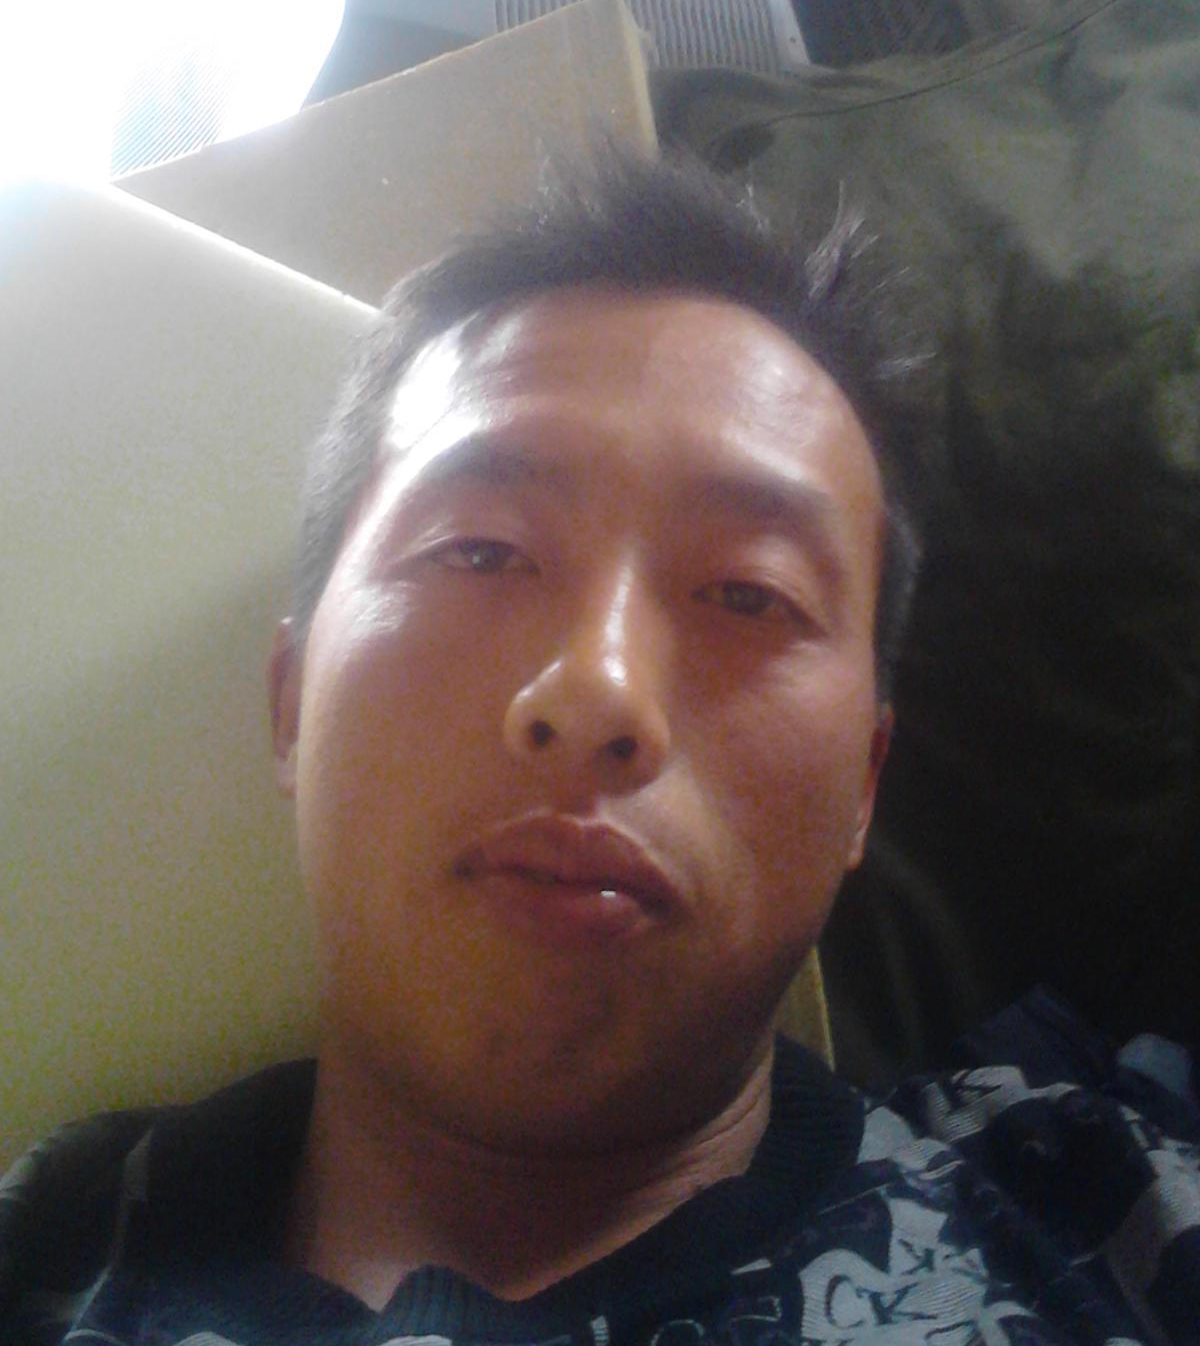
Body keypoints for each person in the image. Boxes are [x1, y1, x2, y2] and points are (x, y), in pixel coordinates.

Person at [2, 149, 1197, 1345]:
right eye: (480, 549)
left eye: (749, 593)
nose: (595, 693)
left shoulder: (1112, 1206)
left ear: (863, 790)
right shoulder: (43, 1256)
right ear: (291, 700)